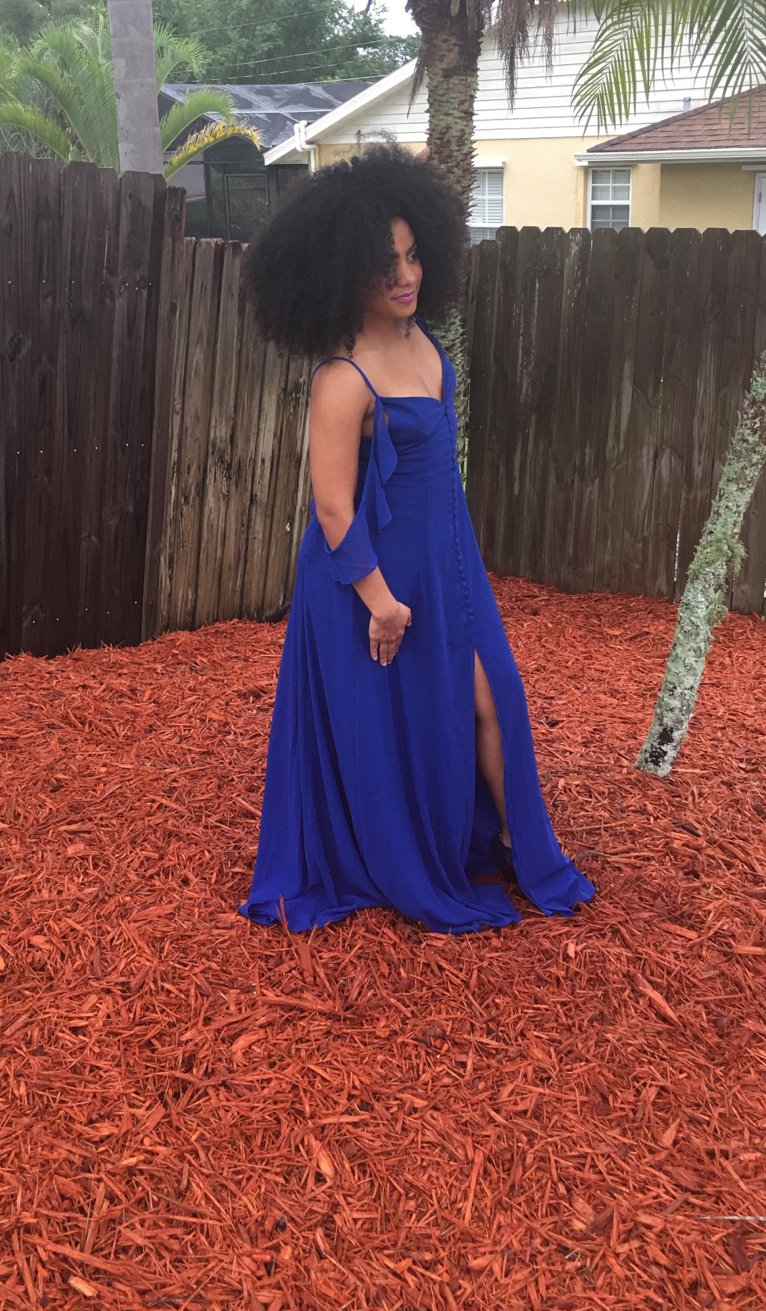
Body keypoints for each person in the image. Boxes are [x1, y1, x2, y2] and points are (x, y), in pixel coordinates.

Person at [239, 146, 593, 933]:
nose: (405, 275)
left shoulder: (423, 340)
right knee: (401, 724)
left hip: (445, 565)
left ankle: (510, 842)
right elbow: (332, 509)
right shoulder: (343, 378)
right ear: (338, 274)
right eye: (382, 264)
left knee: (494, 699)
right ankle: (401, 851)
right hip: (372, 585)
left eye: (411, 255)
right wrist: (383, 605)